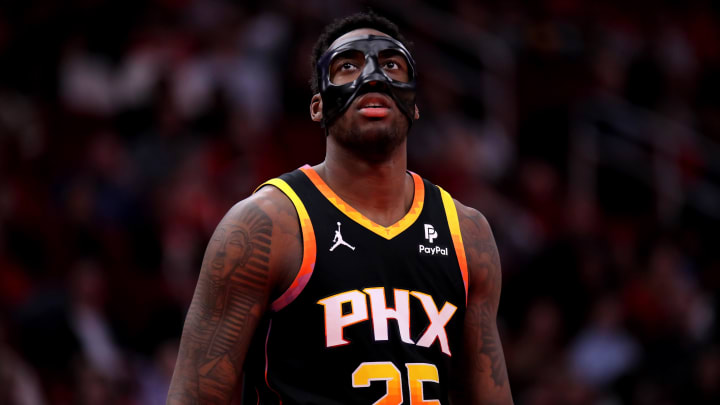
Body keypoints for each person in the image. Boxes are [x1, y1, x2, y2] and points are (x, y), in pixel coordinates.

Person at [167, 11, 513, 405]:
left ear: (414, 105)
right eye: (348, 65)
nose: (373, 77)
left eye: (391, 65)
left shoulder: (467, 234)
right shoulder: (266, 224)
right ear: (317, 106)